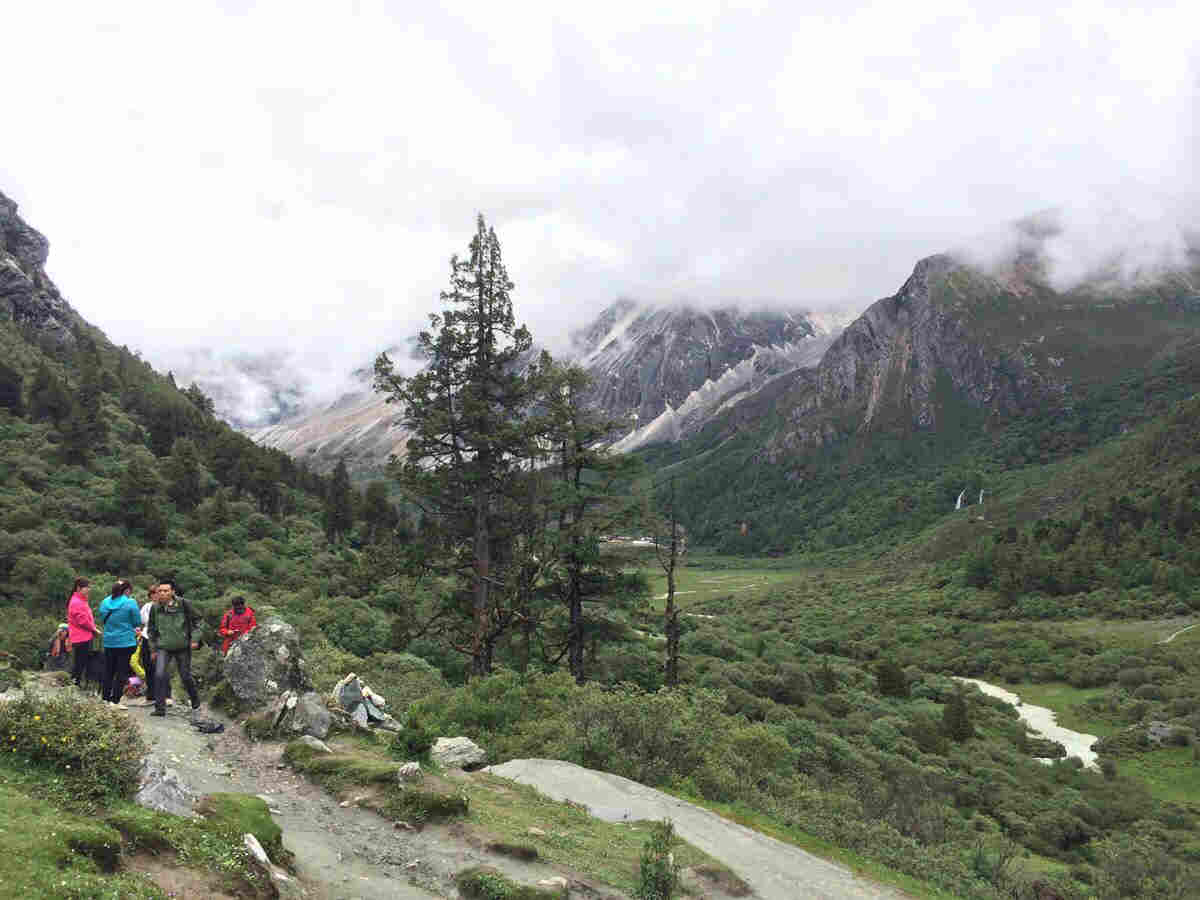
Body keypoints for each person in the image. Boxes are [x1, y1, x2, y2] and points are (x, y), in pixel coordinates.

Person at [147, 580, 202, 718]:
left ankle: (195, 700)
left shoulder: (184, 604)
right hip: (163, 647)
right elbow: (151, 629)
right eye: (160, 591)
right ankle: (160, 708)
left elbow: (198, 621)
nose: (162, 593)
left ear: (172, 592)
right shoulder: (155, 608)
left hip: (182, 646)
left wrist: (195, 639)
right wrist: (153, 649)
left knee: (185, 676)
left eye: (166, 591)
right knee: (159, 675)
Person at [97, 580, 141, 708]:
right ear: (126, 590)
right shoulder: (130, 602)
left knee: (108, 670)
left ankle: (105, 699)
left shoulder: (104, 602)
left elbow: (102, 619)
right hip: (125, 642)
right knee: (121, 672)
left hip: (109, 642)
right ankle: (115, 701)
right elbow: (137, 622)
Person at [137, 583, 171, 707]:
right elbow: (141, 620)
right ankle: (150, 696)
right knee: (148, 667)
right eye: (153, 594)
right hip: (147, 637)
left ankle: (166, 696)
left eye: (158, 593)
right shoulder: (147, 607)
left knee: (162, 668)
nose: (156, 596)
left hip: (162, 639)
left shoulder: (168, 606)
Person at [67, 577, 98, 689]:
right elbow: (82, 621)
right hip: (81, 637)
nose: (88, 589)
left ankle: (77, 684)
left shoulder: (80, 600)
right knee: (80, 663)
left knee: (81, 662)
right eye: (86, 587)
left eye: (89, 587)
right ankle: (75, 684)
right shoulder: (77, 602)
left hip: (83, 636)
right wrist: (94, 629)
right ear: (79, 588)